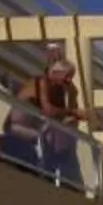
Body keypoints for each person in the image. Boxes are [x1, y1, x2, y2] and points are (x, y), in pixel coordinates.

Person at [15, 46, 89, 185]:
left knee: (63, 137)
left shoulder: (59, 90)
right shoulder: (42, 82)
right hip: (19, 129)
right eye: (67, 77)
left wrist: (73, 97)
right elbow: (48, 111)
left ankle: (67, 179)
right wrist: (72, 112)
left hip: (40, 132)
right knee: (56, 136)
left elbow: (61, 116)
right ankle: (56, 175)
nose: (69, 81)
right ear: (56, 73)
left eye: (70, 78)